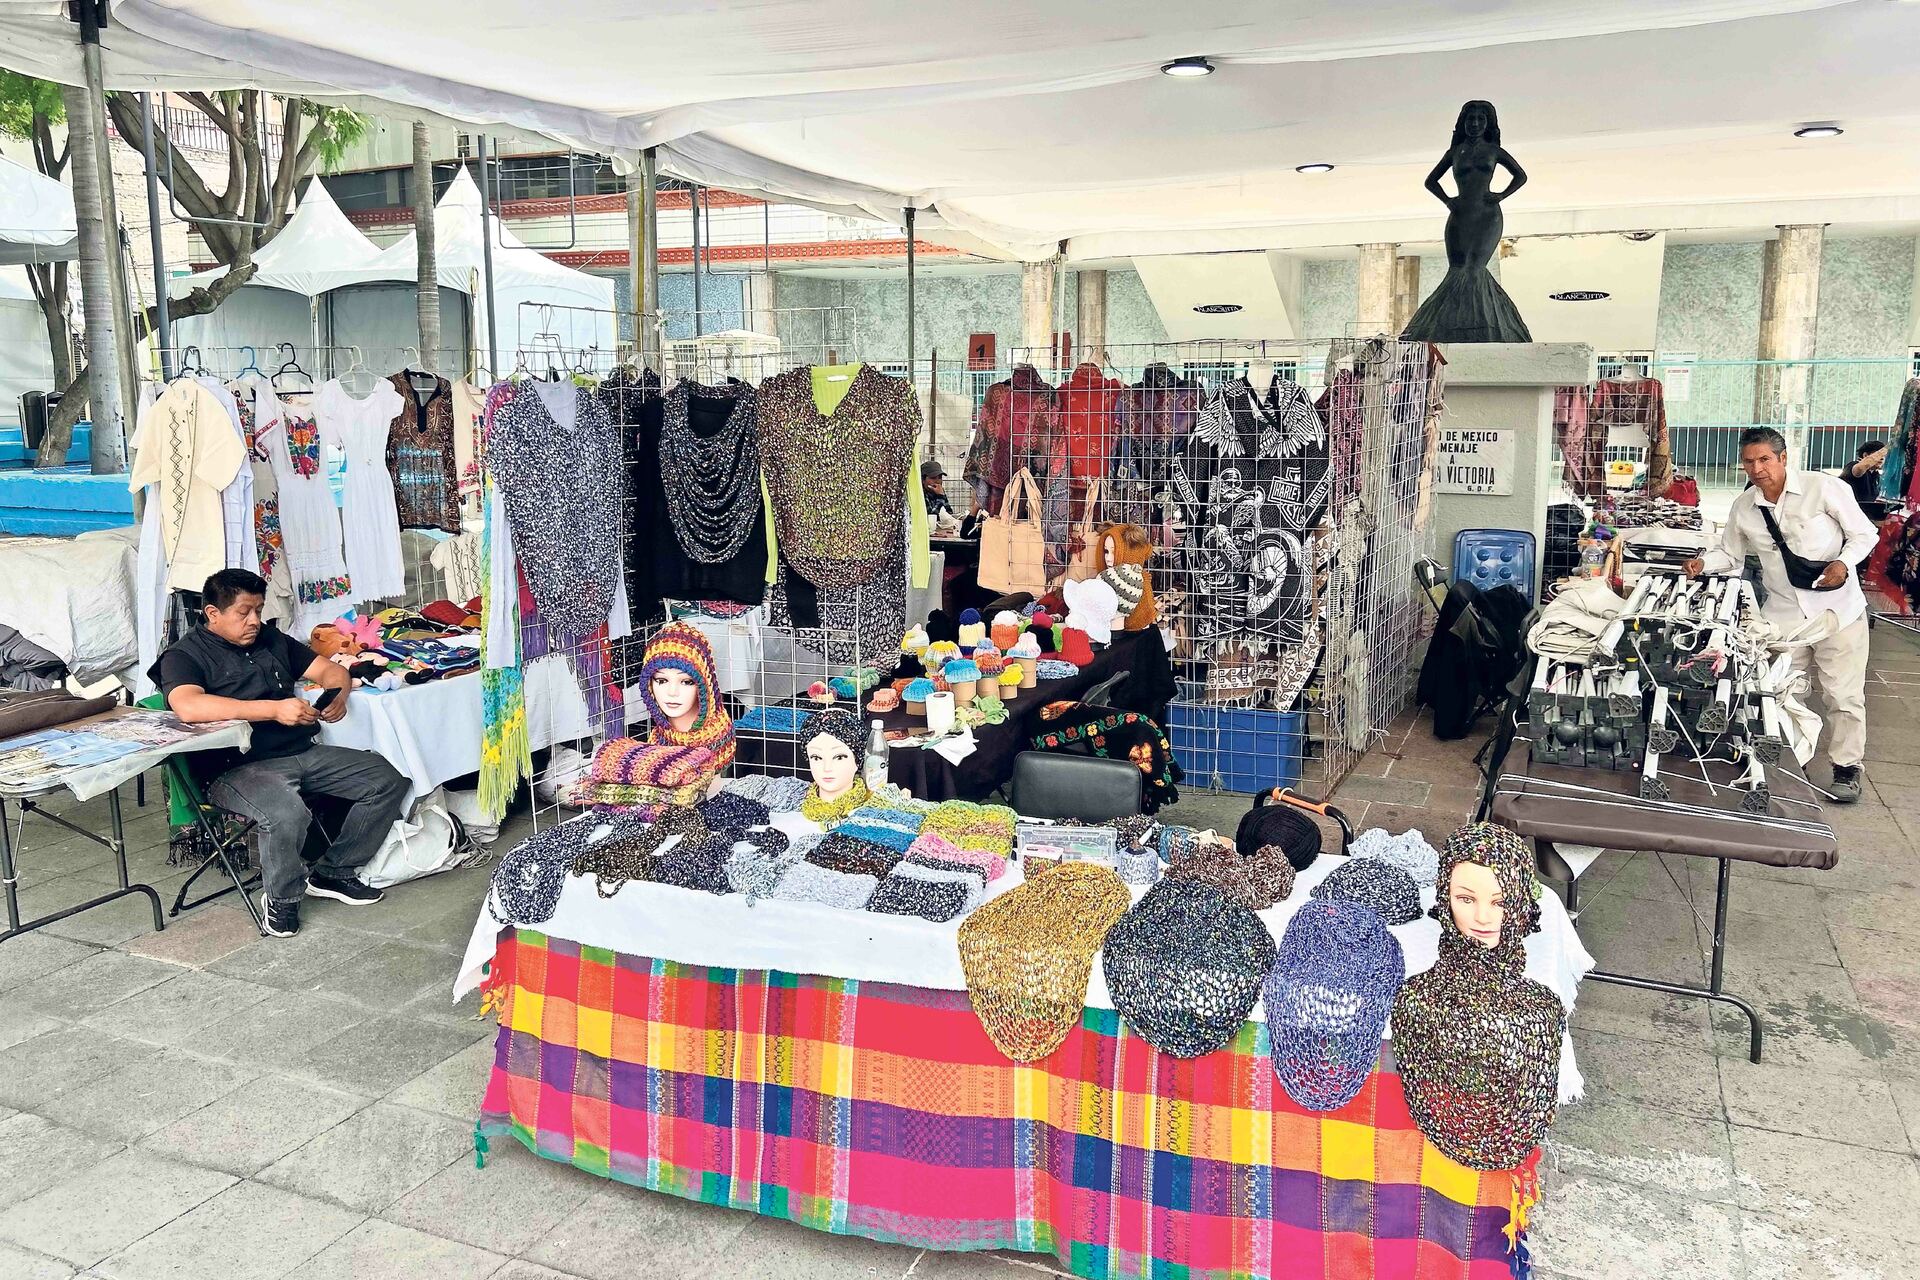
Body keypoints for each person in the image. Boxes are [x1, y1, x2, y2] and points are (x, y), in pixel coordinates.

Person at [155, 568, 409, 936]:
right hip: (236, 767)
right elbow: (189, 706)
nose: (254, 621)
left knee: (386, 779)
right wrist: (273, 709)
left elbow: (330, 670)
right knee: (286, 813)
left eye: (258, 610)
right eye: (244, 612)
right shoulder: (184, 655)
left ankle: (333, 871)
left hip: (300, 752)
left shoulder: (271, 639)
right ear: (213, 613)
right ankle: (282, 898)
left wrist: (338, 694)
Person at [1684, 428, 1878, 802]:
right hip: (1784, 617)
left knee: (1843, 694)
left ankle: (1847, 767)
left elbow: (1865, 534)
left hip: (1838, 611)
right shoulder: (1744, 507)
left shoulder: (1823, 488)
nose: (1757, 469)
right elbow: (1731, 556)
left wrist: (1843, 563)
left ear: (1783, 458)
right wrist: (1702, 563)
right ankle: (1790, 762)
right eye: (1749, 462)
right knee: (1779, 692)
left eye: (1764, 459)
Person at [1841, 439, 1889, 516]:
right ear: (1866, 455)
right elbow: (1859, 469)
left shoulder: (1876, 475)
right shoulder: (1853, 465)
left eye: (1883, 456)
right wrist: (1888, 447)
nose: (1882, 458)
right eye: (1878, 455)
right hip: (1849, 514)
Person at [921, 459, 955, 523]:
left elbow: (949, 513)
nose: (937, 481)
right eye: (933, 478)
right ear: (923, 480)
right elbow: (932, 519)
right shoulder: (920, 494)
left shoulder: (939, 491)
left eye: (940, 477)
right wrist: (940, 497)